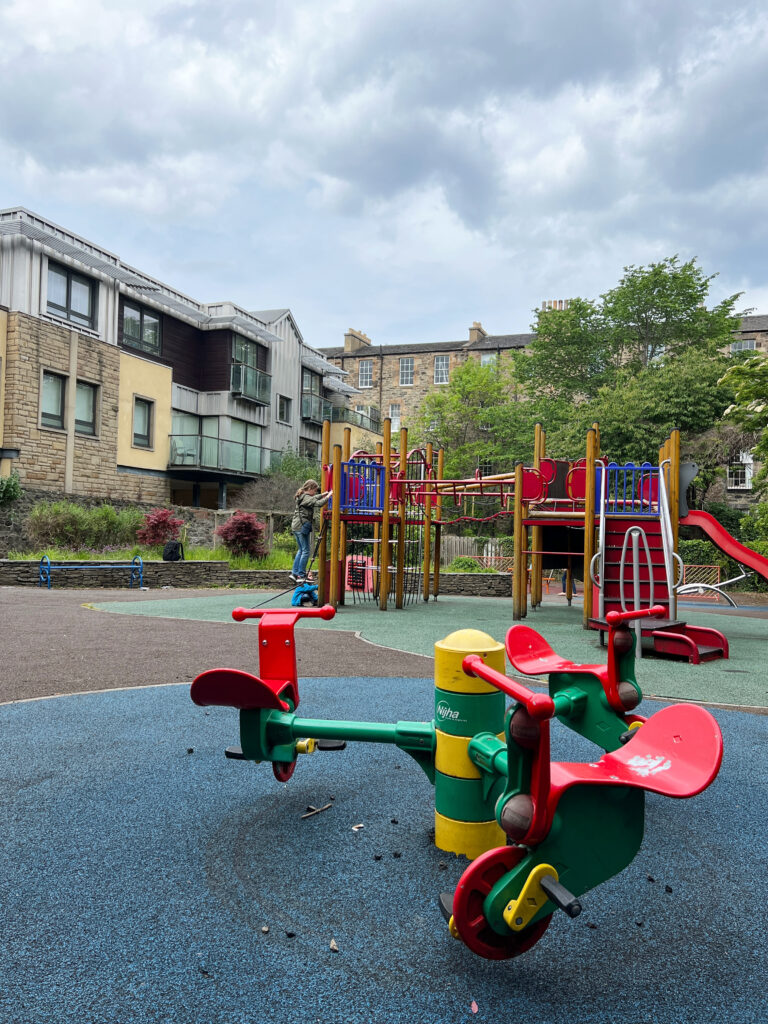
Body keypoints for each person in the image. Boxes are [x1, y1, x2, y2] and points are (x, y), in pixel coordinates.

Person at [290, 479, 331, 583]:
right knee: (306, 551)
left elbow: (314, 498)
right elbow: (318, 503)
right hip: (301, 526)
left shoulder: (302, 496)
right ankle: (301, 575)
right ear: (309, 488)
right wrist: (329, 496)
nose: (315, 493)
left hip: (296, 526)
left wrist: (323, 494)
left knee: (301, 550)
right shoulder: (306, 498)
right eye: (315, 490)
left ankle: (294, 573)